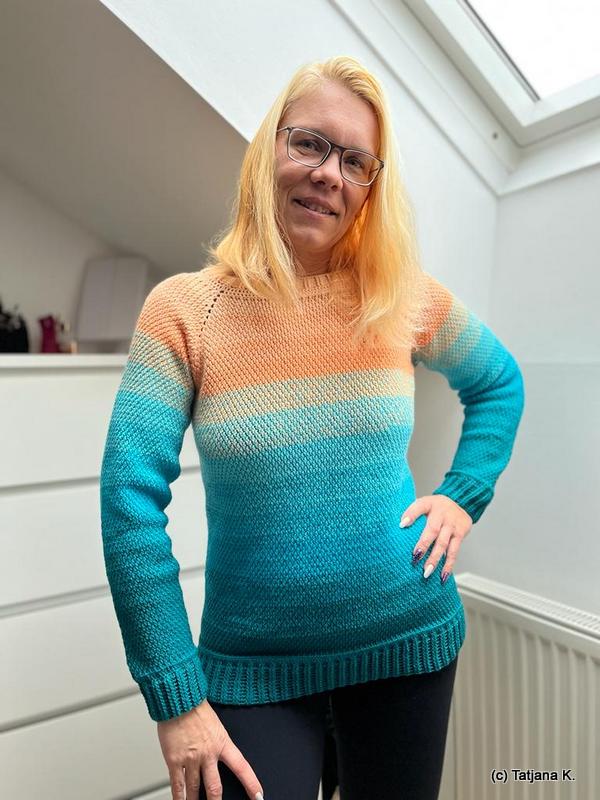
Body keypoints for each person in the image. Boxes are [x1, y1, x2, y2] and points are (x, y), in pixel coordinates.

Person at [99, 55, 525, 800]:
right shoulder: (186, 311)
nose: (329, 173)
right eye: (309, 143)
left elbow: (498, 382)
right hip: (251, 672)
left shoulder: (400, 295)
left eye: (355, 161)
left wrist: (464, 495)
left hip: (406, 644)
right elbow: (129, 501)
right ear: (271, 147)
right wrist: (175, 696)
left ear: (370, 188)